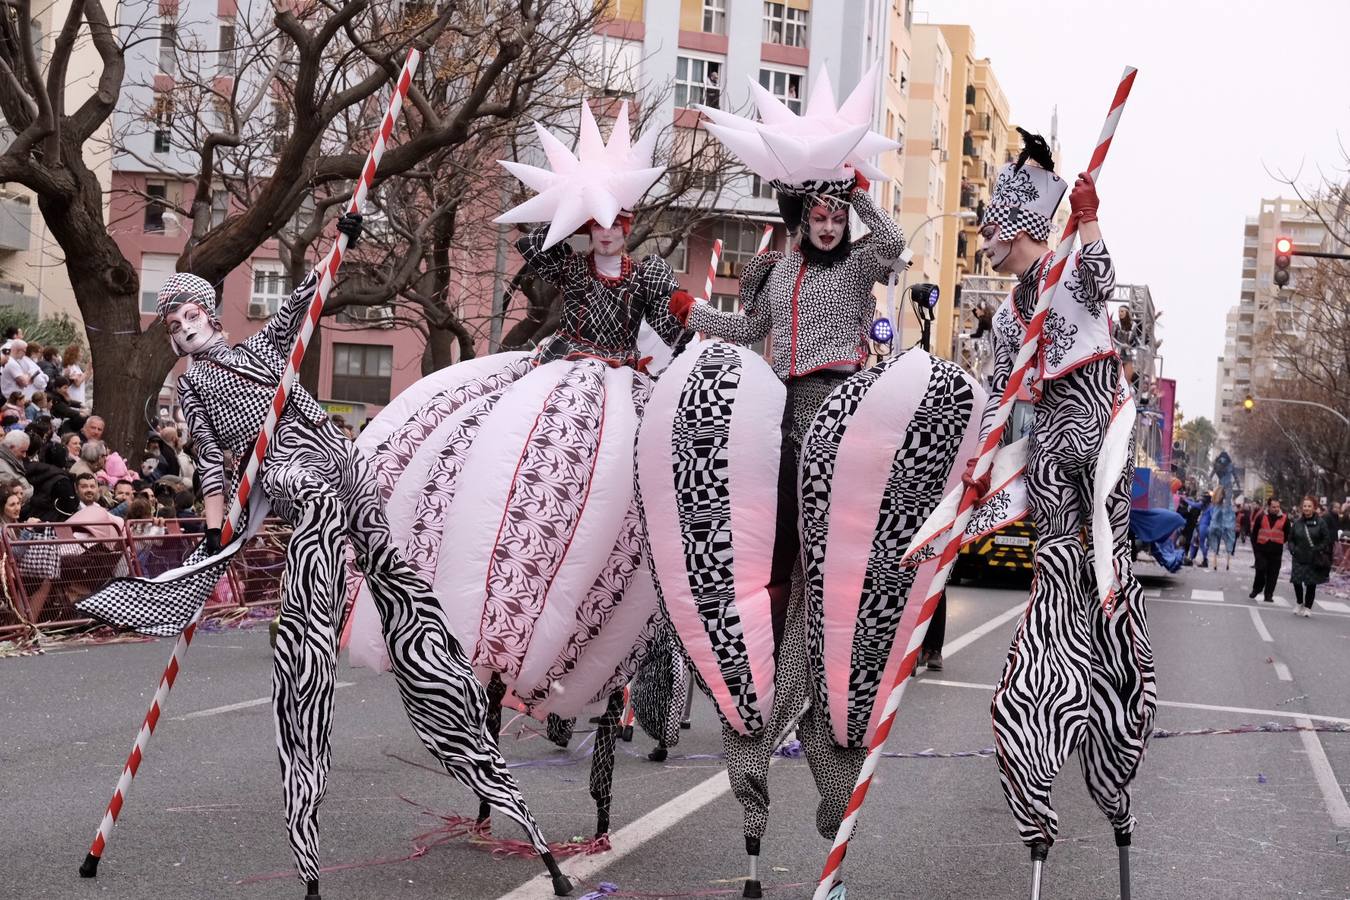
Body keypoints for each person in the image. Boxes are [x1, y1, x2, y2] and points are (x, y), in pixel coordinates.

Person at [75, 212, 573, 899]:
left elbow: (305, 301)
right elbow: (214, 463)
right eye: (168, 321)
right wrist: (219, 528)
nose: (178, 324)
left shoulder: (262, 350)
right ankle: (307, 745)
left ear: (209, 312)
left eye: (185, 311)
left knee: (392, 572)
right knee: (307, 503)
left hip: (337, 454)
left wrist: (344, 238)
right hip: (283, 468)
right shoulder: (191, 385)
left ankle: (458, 723)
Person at [969, 129, 1154, 884]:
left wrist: (1089, 218)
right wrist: (980, 469)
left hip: (1096, 424)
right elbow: (1001, 390)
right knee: (1055, 587)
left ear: (1018, 229)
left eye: (991, 227)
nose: (983, 237)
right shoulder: (1013, 310)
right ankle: (1046, 713)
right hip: (1048, 442)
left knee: (1102, 579)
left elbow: (1104, 279)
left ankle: (1113, 690)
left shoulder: (1065, 271)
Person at [1289, 495, 1331, 617]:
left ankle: (1308, 607)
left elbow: (1326, 539)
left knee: (1310, 583)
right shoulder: (1297, 523)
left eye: (1309, 506)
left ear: (1314, 508)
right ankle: (1299, 602)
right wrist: (1293, 549)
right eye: (1305, 506)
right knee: (1297, 581)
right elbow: (1290, 539)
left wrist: (1317, 549)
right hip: (1298, 557)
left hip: (1313, 558)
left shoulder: (1320, 523)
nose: (1306, 508)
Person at [1249, 497, 1290, 603]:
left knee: (1273, 574)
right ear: (1269, 507)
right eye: (1273, 507)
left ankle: (1268, 595)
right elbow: (1254, 534)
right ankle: (1257, 589)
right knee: (1260, 571)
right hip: (1262, 550)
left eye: (1278, 507)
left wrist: (1279, 542)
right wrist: (1256, 549)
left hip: (1276, 552)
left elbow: (1287, 534)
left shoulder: (1285, 519)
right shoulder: (1261, 516)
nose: (1276, 509)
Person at [0, 430, 34, 503]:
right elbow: (15, 493)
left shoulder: (12, 459)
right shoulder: (2, 467)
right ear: (11, 447)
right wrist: (31, 490)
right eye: (22, 451)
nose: (24, 455)